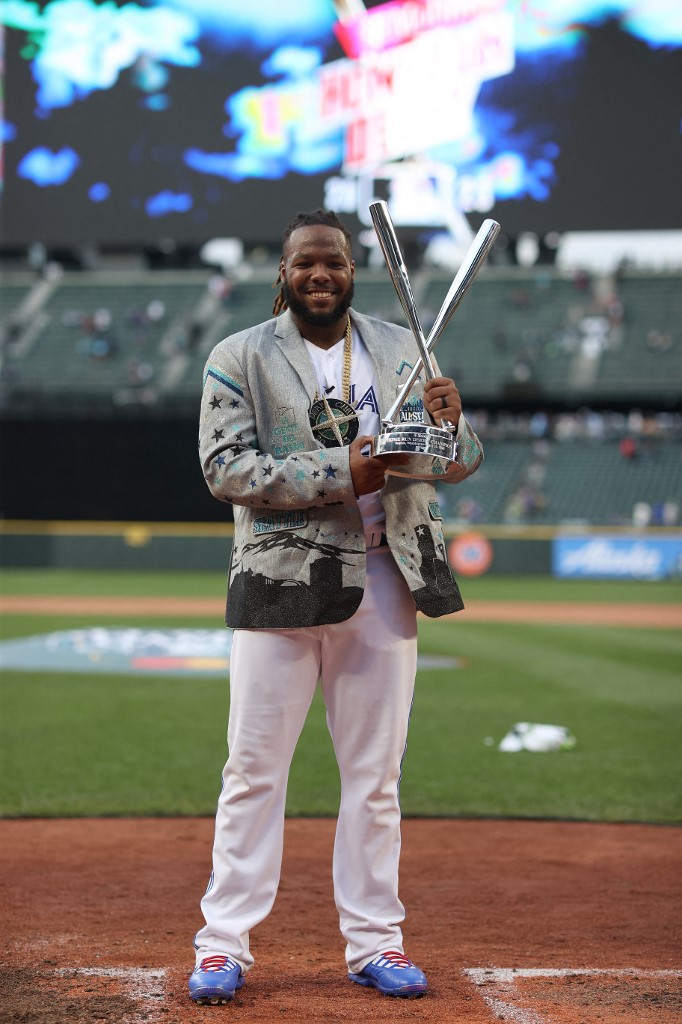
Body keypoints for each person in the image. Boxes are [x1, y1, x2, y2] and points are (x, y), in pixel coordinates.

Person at [189, 209, 483, 1004]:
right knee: (253, 771)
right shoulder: (239, 355)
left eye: (336, 264)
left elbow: (460, 462)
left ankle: (375, 943)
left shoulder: (399, 348)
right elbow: (226, 468)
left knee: (376, 777)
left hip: (388, 583)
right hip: (280, 580)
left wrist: (454, 428)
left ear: (354, 270)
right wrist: (339, 472)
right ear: (282, 272)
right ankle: (223, 946)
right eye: (305, 264)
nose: (321, 275)